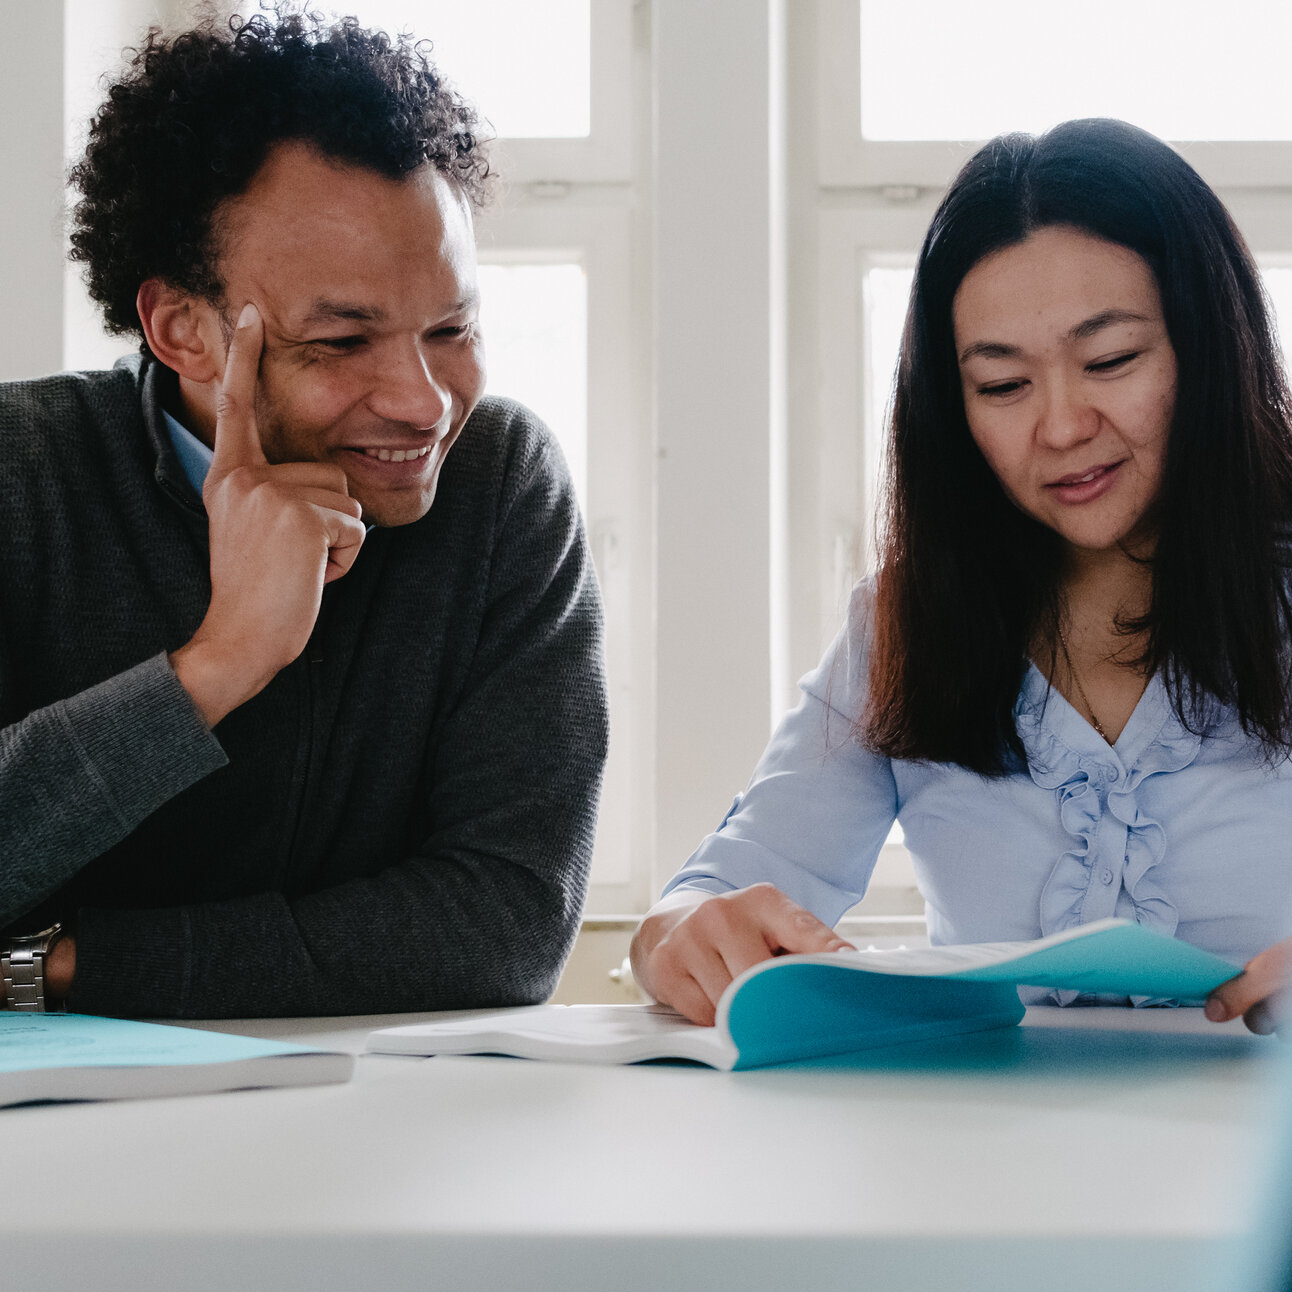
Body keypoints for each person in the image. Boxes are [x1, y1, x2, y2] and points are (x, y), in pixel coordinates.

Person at [0, 10, 607, 1017]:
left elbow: (504, 921)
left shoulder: (498, 486)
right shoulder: (23, 476)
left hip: (378, 1140)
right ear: (181, 328)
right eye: (340, 340)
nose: (424, 401)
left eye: (450, 326)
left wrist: (57, 963)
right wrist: (218, 663)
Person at [632, 117, 1292, 1033]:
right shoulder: (908, 622)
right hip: (986, 1161)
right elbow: (714, 890)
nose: (1060, 428)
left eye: (1110, 361)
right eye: (1002, 386)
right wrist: (678, 934)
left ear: (1207, 350)